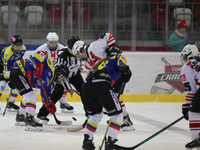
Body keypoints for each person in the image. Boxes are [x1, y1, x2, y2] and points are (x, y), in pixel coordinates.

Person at [71, 33, 135, 131]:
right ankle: (119, 118)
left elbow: (108, 36)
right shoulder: (87, 64)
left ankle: (126, 121)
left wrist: (111, 50)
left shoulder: (93, 47)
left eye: (78, 54)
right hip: (108, 77)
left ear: (82, 50)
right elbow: (92, 77)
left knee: (114, 99)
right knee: (111, 99)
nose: (78, 57)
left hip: (118, 70)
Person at [81, 51, 132, 150]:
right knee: (117, 115)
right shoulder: (117, 57)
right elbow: (121, 59)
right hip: (100, 83)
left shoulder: (101, 63)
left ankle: (87, 142)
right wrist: (125, 69)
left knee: (96, 115)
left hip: (86, 85)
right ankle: (110, 144)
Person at [36, 35, 83, 125]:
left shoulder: (80, 49)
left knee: (84, 91)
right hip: (62, 75)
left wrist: (80, 65)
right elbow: (61, 76)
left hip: (75, 74)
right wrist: (68, 88)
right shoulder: (63, 55)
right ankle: (42, 114)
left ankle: (90, 112)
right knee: (56, 94)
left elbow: (82, 58)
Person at [11, 50, 57, 131]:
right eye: (62, 77)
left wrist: (48, 103)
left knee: (28, 96)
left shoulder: (51, 83)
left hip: (20, 75)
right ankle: (30, 119)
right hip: (18, 71)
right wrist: (39, 66)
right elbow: (40, 53)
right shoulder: (51, 68)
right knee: (31, 96)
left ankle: (20, 116)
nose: (61, 79)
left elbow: (45, 93)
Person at [35, 32, 74, 113]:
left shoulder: (62, 48)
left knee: (64, 82)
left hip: (58, 72)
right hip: (46, 73)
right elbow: (32, 58)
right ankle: (45, 105)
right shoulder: (41, 49)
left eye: (55, 42)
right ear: (47, 41)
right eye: (51, 42)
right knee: (46, 88)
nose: (53, 45)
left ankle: (63, 102)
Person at [180, 44, 200, 149]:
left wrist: (187, 106)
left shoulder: (187, 65)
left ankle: (196, 140)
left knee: (194, 112)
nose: (184, 60)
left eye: (184, 57)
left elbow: (191, 90)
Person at [0, 35, 26, 111]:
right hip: (2, 66)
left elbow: (19, 60)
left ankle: (10, 103)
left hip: (11, 67)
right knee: (2, 85)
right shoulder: (7, 54)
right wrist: (8, 81)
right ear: (12, 45)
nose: (18, 47)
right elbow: (5, 68)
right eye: (16, 46)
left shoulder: (23, 49)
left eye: (19, 46)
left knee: (16, 85)